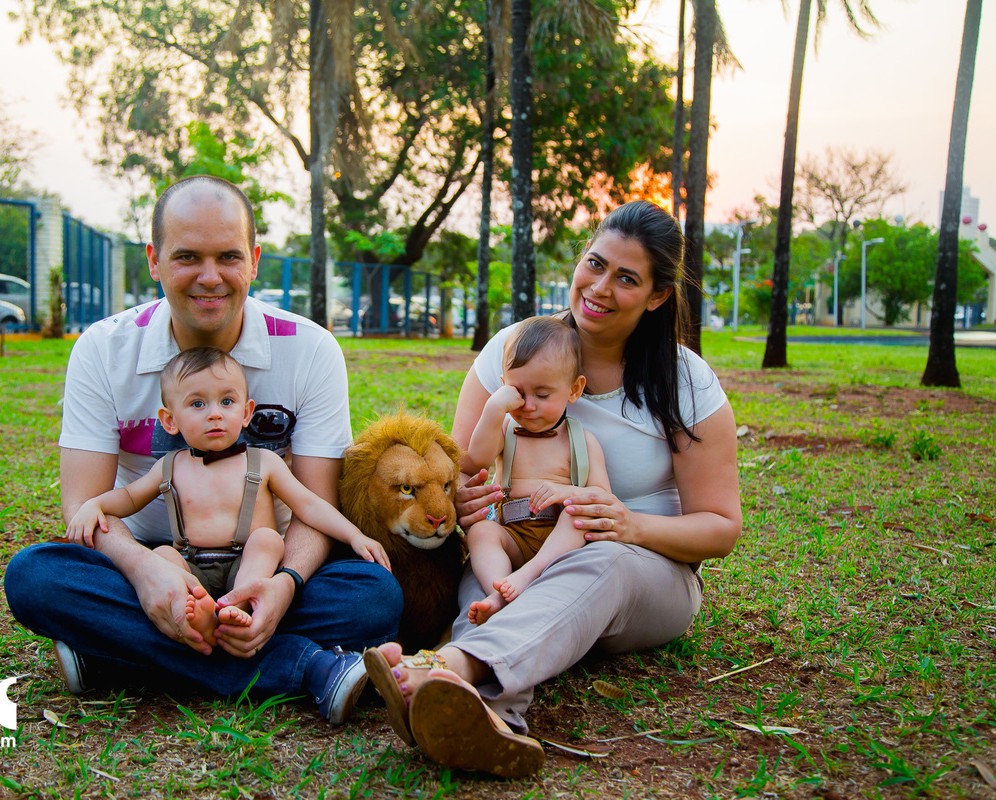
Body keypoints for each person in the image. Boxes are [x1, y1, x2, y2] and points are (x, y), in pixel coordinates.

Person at [4, 175, 402, 726]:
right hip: (149, 558)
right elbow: (85, 507)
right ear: (154, 260)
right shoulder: (103, 348)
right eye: (188, 256)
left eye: (229, 257)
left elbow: (315, 506)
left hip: (265, 565)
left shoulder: (310, 349)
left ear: (254, 260)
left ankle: (117, 655)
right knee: (35, 577)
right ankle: (309, 666)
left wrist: (283, 586)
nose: (210, 277)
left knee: (374, 596)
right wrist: (145, 573)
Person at [364, 200, 742, 777]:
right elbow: (458, 469)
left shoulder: (685, 381)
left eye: (627, 278)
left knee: (603, 558)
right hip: (521, 549)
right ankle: (488, 717)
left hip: (641, 572)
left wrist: (629, 525)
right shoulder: (515, 349)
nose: (600, 287)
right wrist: (462, 499)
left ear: (657, 296)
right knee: (488, 581)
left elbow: (721, 526)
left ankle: (445, 666)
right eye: (595, 264)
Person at [65, 347, 391, 638]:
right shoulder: (170, 466)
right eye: (197, 403)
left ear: (246, 412)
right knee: (162, 556)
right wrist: (94, 505)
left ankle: (240, 606)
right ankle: (201, 613)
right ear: (170, 420)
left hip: (250, 565)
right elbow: (128, 498)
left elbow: (309, 504)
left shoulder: (264, 462)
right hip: (191, 565)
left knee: (267, 540)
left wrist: (354, 535)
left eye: (227, 401)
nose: (215, 413)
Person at [457, 316, 610, 625]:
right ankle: (499, 591)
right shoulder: (505, 429)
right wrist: (493, 409)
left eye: (542, 395)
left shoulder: (581, 440)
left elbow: (601, 496)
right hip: (513, 535)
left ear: (574, 389)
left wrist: (564, 492)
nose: (528, 405)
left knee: (577, 515)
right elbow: (478, 458)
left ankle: (528, 575)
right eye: (517, 392)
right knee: (482, 531)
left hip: (561, 543)